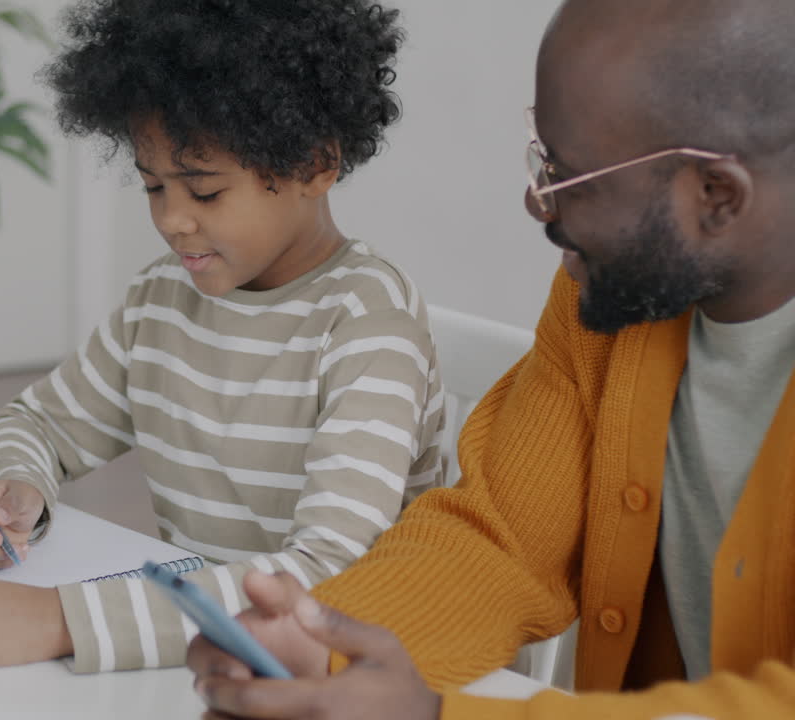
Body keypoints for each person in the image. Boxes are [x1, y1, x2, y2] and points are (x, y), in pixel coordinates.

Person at [186, 0, 795, 717]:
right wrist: (326, 644)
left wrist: (437, 713)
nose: (538, 202)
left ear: (717, 195)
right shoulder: (605, 305)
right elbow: (501, 537)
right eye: (543, 158)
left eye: (571, 178)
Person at [0, 0, 447, 672]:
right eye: (154, 187)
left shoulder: (368, 322)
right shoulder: (163, 298)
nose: (172, 221)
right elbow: (38, 423)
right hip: (203, 657)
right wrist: (17, 488)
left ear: (315, 164)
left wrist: (59, 621)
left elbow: (329, 579)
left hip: (351, 678)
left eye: (204, 192)